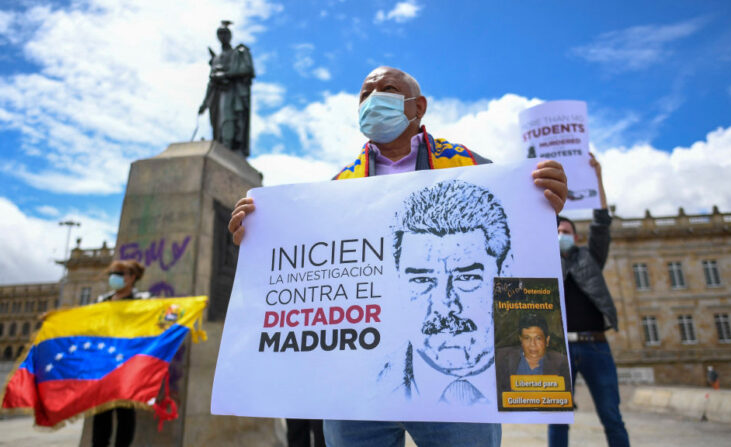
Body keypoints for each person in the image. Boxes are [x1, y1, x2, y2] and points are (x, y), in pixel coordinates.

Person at [228, 66, 568, 447]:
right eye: (364, 94)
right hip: (358, 395)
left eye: (387, 89)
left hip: (461, 401)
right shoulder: (336, 189)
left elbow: (522, 252)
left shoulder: (477, 170)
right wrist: (258, 238)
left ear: (418, 106)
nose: (373, 99)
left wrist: (543, 206)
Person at [376, 180, 508, 406]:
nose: (444, 304)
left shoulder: (541, 369)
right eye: (422, 280)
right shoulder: (371, 384)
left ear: (505, 274)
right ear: (397, 281)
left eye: (466, 277)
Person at [548, 154, 629, 447]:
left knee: (611, 415)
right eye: (556, 232)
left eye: (566, 232)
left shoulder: (590, 257)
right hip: (559, 349)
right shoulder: (544, 262)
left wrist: (598, 179)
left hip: (596, 345)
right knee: (557, 418)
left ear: (576, 236)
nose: (561, 235)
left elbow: (601, 223)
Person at [92, 260, 149, 447]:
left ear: (132, 277)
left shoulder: (142, 301)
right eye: (112, 273)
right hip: (103, 364)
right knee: (101, 416)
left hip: (128, 365)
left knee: (125, 414)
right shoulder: (102, 301)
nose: (113, 277)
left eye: (119, 273)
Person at [198, 20, 255, 157]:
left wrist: (225, 74)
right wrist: (205, 103)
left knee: (228, 120)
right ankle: (221, 148)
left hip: (231, 93)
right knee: (217, 125)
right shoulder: (216, 58)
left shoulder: (238, 53)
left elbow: (247, 70)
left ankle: (228, 149)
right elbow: (211, 82)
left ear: (230, 35)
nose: (222, 36)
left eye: (225, 33)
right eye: (220, 33)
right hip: (216, 95)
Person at [495, 313, 571, 393]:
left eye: (538, 338)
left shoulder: (561, 362)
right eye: (527, 338)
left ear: (547, 340)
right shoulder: (502, 358)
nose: (532, 344)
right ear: (520, 339)